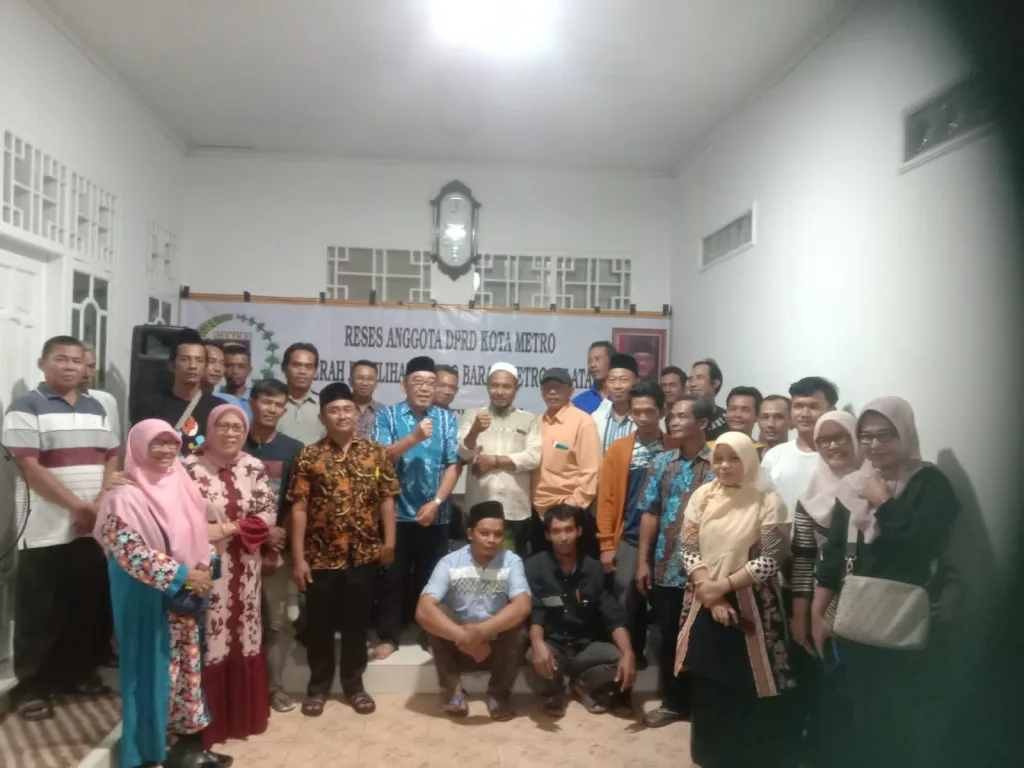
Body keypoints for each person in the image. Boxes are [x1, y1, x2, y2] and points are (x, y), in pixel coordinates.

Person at [812, 397, 960, 768]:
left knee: (895, 715)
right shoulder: (853, 484)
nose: (875, 445)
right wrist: (818, 610)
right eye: (866, 436)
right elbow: (834, 553)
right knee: (853, 706)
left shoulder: (930, 484)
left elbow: (921, 546)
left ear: (906, 434)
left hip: (904, 616)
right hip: (855, 615)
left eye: (886, 435)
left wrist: (884, 502)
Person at [94, 420, 228, 768]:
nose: (167, 450)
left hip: (185, 599)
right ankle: (145, 752)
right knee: (152, 674)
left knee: (186, 675)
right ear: (138, 446)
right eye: (158, 443)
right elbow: (131, 553)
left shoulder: (181, 484)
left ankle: (187, 749)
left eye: (171, 442)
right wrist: (184, 575)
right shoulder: (123, 495)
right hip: (148, 601)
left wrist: (206, 567)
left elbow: (198, 533)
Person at [2, 335, 120, 722]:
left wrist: (101, 502)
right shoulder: (25, 407)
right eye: (61, 359)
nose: (71, 366)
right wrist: (77, 506)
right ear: (43, 363)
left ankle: (76, 675)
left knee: (82, 606)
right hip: (44, 528)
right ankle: (33, 687)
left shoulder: (95, 407)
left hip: (91, 527)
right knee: (41, 610)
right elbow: (30, 467)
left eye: (77, 360)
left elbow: (111, 457)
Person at [675, 431, 794, 767]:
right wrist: (712, 595)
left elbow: (770, 558)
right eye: (719, 459)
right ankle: (709, 755)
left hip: (752, 602)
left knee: (748, 682)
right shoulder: (703, 496)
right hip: (704, 597)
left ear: (749, 461)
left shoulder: (768, 501)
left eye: (733, 459)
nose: (724, 466)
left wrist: (723, 585)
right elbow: (688, 547)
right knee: (707, 680)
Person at [288, 383, 400, 718]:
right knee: (319, 625)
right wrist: (298, 558)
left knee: (356, 624)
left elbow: (387, 500)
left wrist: (390, 542)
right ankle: (318, 688)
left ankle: (354, 685)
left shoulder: (376, 453)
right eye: (333, 411)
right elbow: (299, 509)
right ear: (323, 417)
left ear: (356, 414)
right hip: (320, 556)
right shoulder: (308, 456)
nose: (341, 416)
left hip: (364, 554)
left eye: (347, 409)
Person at [183, 405, 276, 748]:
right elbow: (179, 519)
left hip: (246, 566)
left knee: (245, 633)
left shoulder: (253, 466)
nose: (230, 433)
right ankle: (207, 723)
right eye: (223, 425)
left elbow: (267, 513)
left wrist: (227, 528)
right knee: (212, 637)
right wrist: (207, 531)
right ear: (210, 428)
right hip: (206, 567)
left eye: (238, 427)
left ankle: (241, 717)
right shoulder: (188, 468)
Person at [635, 393, 716, 728]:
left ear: (702, 422)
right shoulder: (661, 463)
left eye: (683, 416)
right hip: (667, 565)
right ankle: (672, 702)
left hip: (710, 568)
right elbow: (650, 513)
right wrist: (642, 561)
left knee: (704, 636)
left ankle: (704, 704)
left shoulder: (719, 463)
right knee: (670, 636)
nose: (674, 420)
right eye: (673, 415)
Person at [373, 356, 459, 658]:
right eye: (418, 382)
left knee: (433, 579)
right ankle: (389, 635)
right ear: (404, 385)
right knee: (391, 578)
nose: (424, 388)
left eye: (430, 383)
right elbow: (380, 457)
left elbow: (453, 465)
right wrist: (414, 437)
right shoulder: (387, 417)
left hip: (436, 514)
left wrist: (436, 502)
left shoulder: (446, 419)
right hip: (394, 515)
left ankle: (430, 633)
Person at [415, 501, 531, 721]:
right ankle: (454, 692)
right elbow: (423, 610)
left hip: (495, 649)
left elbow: (522, 606)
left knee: (519, 626)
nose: (491, 540)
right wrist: (464, 637)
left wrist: (479, 633)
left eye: (498, 534)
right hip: (458, 648)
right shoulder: (450, 562)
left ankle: (499, 694)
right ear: (470, 533)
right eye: (484, 533)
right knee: (435, 614)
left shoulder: (511, 561)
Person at [788, 410, 860, 766]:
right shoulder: (810, 493)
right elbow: (803, 557)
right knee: (824, 687)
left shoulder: (874, 485)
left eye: (841, 437)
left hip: (866, 603)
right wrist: (801, 614)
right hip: (822, 603)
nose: (833, 446)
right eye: (824, 440)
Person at [526, 505, 636, 717]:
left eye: (568, 530)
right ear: (548, 535)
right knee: (534, 654)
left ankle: (582, 685)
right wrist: (538, 644)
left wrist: (628, 653)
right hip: (554, 645)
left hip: (585, 648)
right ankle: (555, 690)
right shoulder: (534, 567)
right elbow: (536, 613)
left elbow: (613, 616)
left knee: (620, 658)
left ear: (579, 531)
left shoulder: (593, 568)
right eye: (556, 531)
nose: (563, 537)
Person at [244, 378, 304, 714]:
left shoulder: (293, 449)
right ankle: (241, 689)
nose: (271, 409)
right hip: (236, 550)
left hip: (275, 551)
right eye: (265, 402)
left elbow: (297, 503)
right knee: (237, 622)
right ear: (251, 404)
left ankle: (274, 688)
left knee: (278, 622)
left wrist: (275, 543)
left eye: (278, 404)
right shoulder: (232, 443)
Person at [596, 382, 667, 664]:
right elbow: (607, 499)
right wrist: (606, 544)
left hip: (667, 542)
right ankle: (626, 660)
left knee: (664, 604)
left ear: (662, 411)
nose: (643, 418)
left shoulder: (674, 447)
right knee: (624, 602)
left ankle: (665, 664)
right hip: (628, 537)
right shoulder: (619, 449)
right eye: (637, 412)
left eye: (649, 411)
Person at [457, 362, 542, 557]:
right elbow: (464, 454)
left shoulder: (528, 419)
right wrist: (475, 430)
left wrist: (494, 461)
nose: (500, 391)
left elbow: (533, 457)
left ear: (516, 390)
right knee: (479, 564)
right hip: (480, 505)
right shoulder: (472, 416)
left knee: (513, 567)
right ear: (488, 387)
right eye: (495, 385)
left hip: (515, 509)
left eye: (506, 386)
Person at [532, 367, 601, 558]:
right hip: (538, 514)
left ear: (570, 391)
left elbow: (592, 471)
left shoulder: (583, 422)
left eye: (558, 387)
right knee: (541, 569)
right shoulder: (536, 423)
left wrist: (571, 508)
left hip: (569, 515)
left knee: (575, 571)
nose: (552, 392)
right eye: (547, 387)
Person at [135, 329, 227, 454]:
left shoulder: (219, 408)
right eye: (185, 359)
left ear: (205, 366)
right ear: (172, 365)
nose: (193, 366)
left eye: (199, 360)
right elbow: (140, 449)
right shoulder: (151, 406)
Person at [761, 376, 838, 518]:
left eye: (813, 407)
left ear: (831, 410)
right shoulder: (774, 455)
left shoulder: (840, 456)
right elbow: (762, 504)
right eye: (798, 406)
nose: (804, 414)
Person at [277, 342, 324, 445]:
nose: (302, 371)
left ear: (315, 372)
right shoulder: (273, 404)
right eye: (296, 365)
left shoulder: (324, 405)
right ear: (284, 368)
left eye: (308, 366)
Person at [591, 353, 638, 453]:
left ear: (635, 382)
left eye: (623, 380)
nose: (617, 386)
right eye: (612, 380)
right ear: (606, 384)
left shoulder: (643, 418)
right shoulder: (597, 418)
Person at [81, 341, 121, 441]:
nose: (87, 374)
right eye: (81, 366)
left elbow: (115, 441)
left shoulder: (106, 401)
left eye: (91, 366)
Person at [687, 359, 728, 439]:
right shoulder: (683, 418)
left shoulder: (728, 419)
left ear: (715, 383)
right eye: (691, 379)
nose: (692, 384)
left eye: (699, 378)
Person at [572, 340, 615, 414]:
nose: (592, 365)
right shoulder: (578, 403)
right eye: (590, 361)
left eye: (597, 359)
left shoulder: (625, 401)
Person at [723, 386, 766, 456]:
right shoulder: (712, 449)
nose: (737, 415)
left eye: (745, 410)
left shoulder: (765, 453)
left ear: (757, 415)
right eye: (733, 409)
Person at [350, 359, 384, 439]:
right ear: (351, 381)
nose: (365, 383)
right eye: (360, 378)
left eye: (370, 379)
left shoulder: (383, 412)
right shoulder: (341, 409)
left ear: (376, 383)